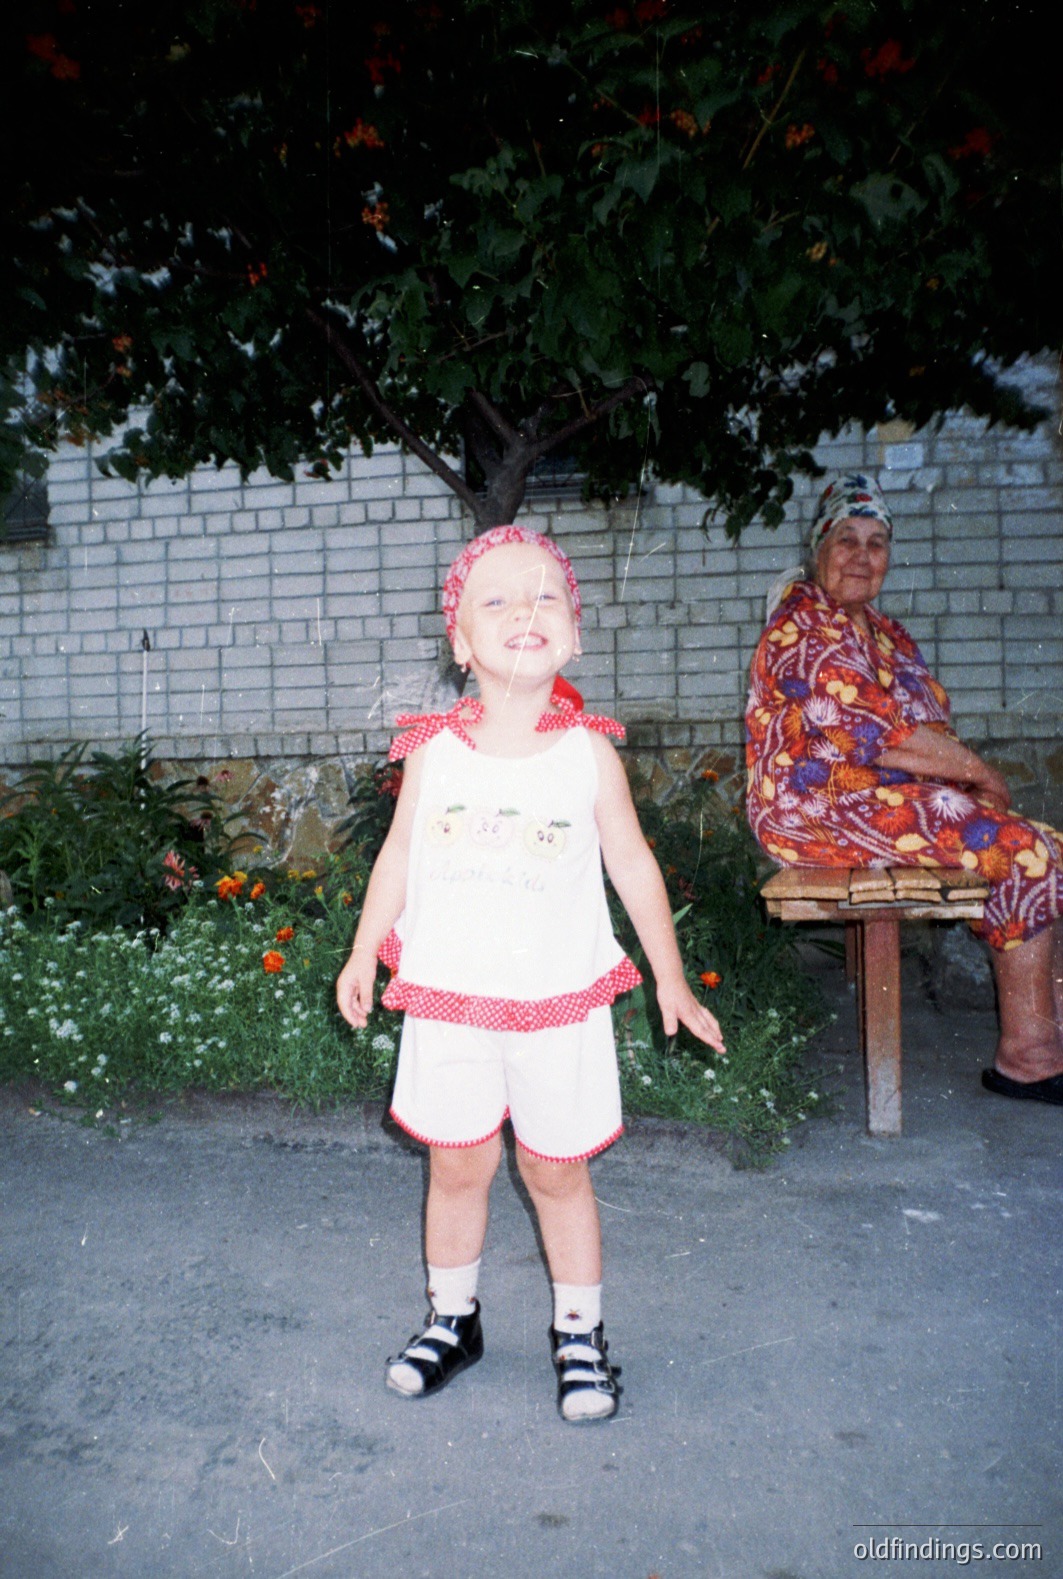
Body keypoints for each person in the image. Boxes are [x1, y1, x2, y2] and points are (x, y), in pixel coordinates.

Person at [336, 525, 725, 1422]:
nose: (525, 610)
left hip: (557, 1008)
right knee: (458, 1164)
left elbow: (633, 866)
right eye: (498, 598)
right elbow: (395, 861)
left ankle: (580, 1336)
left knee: (555, 1172)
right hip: (451, 1000)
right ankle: (452, 1320)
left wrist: (669, 975)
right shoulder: (431, 751)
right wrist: (364, 950)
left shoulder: (588, 753)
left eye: (546, 594)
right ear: (461, 642)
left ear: (575, 635)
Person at [746, 472, 1063, 1106]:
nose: (862, 556)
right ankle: (1028, 1057)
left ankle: (1048, 1032)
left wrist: (958, 784)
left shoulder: (884, 634)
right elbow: (887, 737)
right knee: (1024, 853)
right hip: (815, 806)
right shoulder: (803, 627)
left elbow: (927, 727)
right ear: (819, 549)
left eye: (877, 542)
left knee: (1048, 846)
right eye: (846, 540)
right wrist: (981, 776)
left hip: (878, 796)